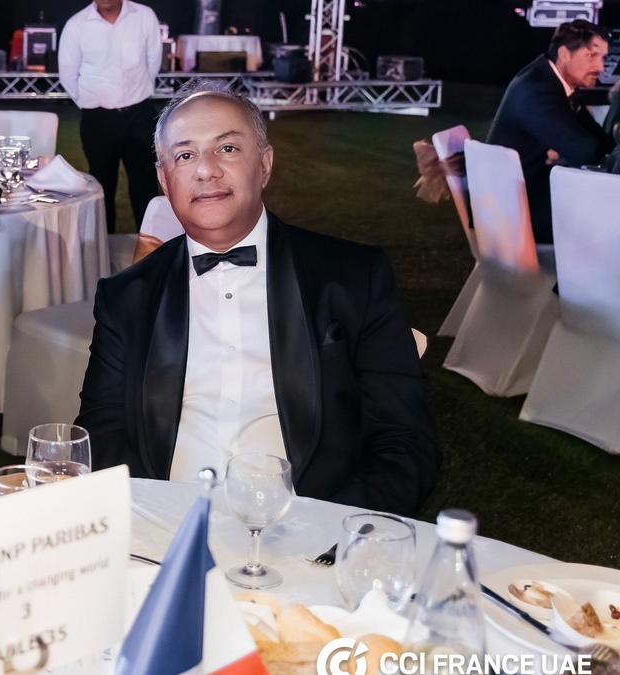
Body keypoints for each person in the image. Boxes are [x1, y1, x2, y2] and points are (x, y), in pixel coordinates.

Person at [75, 87, 438, 517]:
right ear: (164, 179)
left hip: (307, 528)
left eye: (227, 148)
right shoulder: (124, 298)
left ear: (264, 165)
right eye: (185, 155)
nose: (206, 170)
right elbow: (101, 434)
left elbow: (405, 441)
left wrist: (325, 530)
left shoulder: (354, 278)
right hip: (166, 527)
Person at [487, 19, 615, 244]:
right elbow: (586, 152)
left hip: (525, 194)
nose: (601, 68)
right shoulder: (537, 90)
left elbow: (598, 142)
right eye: (591, 56)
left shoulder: (552, 81)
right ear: (565, 54)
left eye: (603, 58)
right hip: (512, 213)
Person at [58, 0, 162, 232]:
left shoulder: (144, 16)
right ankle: (103, 249)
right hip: (98, 120)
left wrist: (137, 95)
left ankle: (151, 248)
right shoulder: (77, 25)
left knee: (145, 187)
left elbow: (153, 61)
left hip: (139, 115)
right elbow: (68, 74)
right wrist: (90, 103)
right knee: (101, 188)